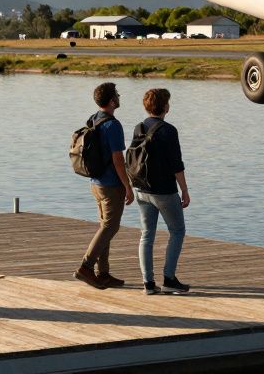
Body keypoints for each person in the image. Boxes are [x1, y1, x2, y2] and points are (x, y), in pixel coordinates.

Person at [130, 88, 191, 295]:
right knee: (177, 231)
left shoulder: (138, 128)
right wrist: (184, 189)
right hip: (164, 191)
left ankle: (148, 283)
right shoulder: (168, 130)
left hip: (140, 188)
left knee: (146, 235)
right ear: (165, 107)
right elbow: (177, 165)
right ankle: (169, 278)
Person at [76, 82, 134, 289]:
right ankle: (86, 266)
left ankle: (103, 273)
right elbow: (118, 159)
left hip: (96, 183)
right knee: (110, 226)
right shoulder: (113, 125)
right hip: (110, 184)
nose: (119, 97)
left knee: (105, 227)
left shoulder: (95, 119)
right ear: (112, 100)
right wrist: (127, 186)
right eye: (117, 94)